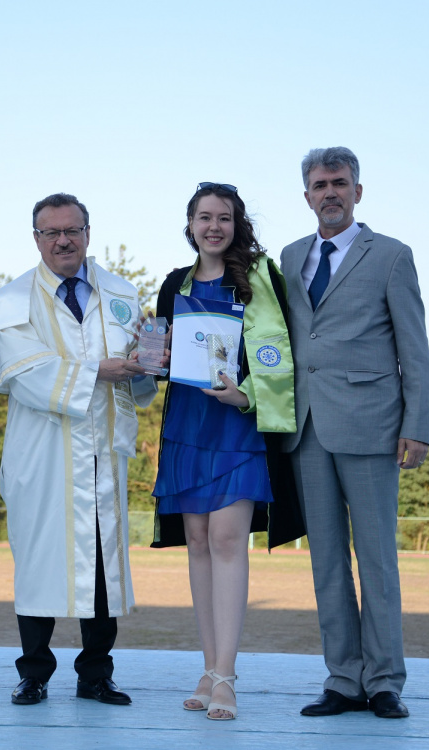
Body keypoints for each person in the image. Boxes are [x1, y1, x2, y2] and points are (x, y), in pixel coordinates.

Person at [0, 192, 157, 706]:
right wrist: (98, 371)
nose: (63, 240)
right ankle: (33, 672)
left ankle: (96, 674)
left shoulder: (121, 293)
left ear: (87, 233)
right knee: (39, 559)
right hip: (43, 454)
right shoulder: (13, 300)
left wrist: (149, 361)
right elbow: (25, 372)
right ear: (36, 238)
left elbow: (136, 369)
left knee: (103, 562)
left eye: (72, 230)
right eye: (51, 232)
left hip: (103, 449)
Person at [279, 147, 429, 719]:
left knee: (377, 561)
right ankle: (343, 679)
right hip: (307, 428)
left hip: (372, 425)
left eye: (339, 183)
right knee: (326, 563)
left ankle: (385, 680)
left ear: (358, 191)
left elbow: (414, 348)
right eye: (320, 185)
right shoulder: (290, 257)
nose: (330, 193)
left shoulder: (391, 256)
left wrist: (417, 425)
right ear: (307, 196)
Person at [150, 182, 305, 720]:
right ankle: (208, 668)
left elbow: (280, 351)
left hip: (237, 424)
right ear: (190, 224)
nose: (213, 226)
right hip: (186, 425)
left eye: (223, 217)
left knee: (227, 540)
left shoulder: (259, 277)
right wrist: (155, 354)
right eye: (204, 217)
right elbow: (162, 356)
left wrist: (247, 396)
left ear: (237, 225)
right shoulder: (174, 283)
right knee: (196, 541)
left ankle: (227, 677)